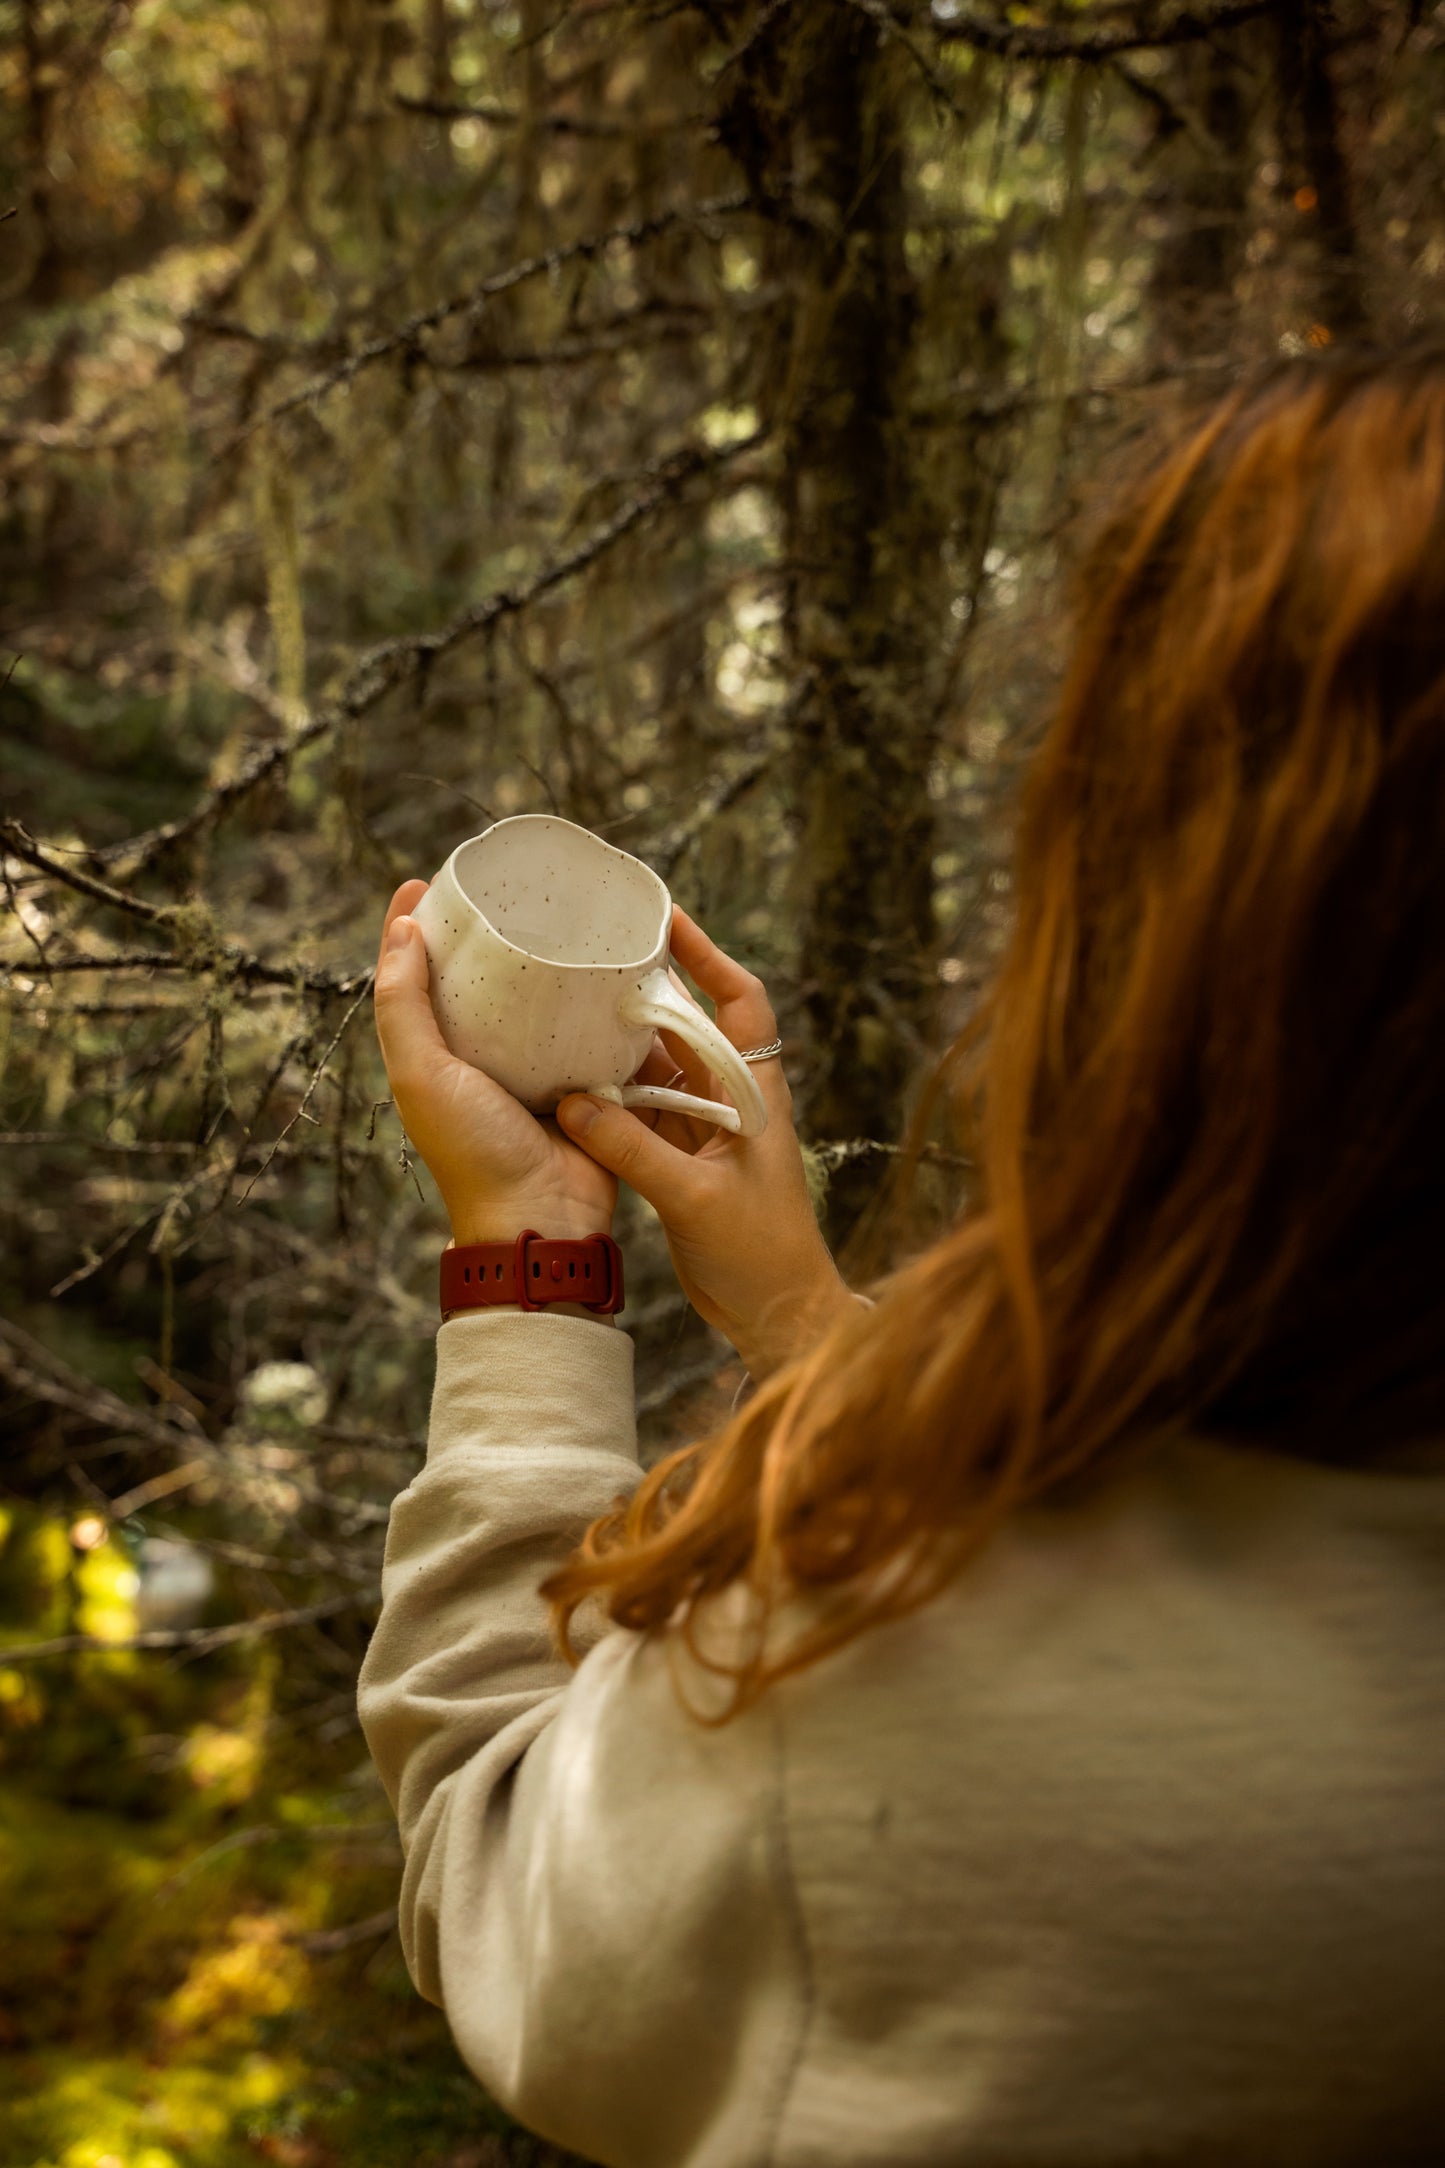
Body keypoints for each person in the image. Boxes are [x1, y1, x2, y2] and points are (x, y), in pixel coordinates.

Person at [358, 347, 1445, 2167]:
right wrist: (806, 1324)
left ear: (1173, 931)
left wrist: (531, 1259)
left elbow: (496, 1864)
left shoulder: (880, 1678)